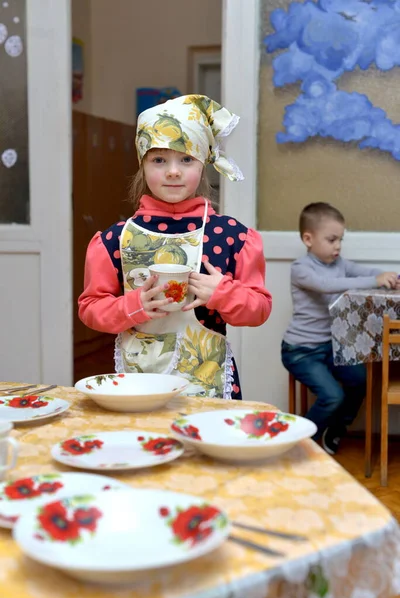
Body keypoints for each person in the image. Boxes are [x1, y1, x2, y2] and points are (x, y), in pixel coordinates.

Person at [78, 95, 272, 399]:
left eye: (186, 159)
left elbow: (259, 310)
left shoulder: (233, 237)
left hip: (208, 387)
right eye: (159, 160)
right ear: (142, 165)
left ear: (204, 163)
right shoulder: (115, 240)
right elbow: (90, 309)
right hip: (137, 387)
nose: (173, 171)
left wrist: (222, 293)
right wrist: (135, 305)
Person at [281, 202, 399, 454]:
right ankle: (300, 445)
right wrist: (375, 280)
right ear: (308, 238)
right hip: (300, 350)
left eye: (340, 240)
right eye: (332, 239)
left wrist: (389, 277)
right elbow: (327, 285)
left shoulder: (340, 263)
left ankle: (337, 429)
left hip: (332, 346)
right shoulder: (301, 269)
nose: (338, 246)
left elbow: (364, 271)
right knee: (332, 396)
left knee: (360, 380)